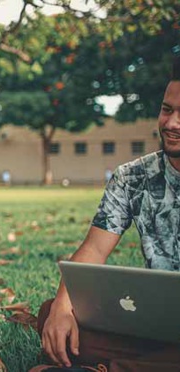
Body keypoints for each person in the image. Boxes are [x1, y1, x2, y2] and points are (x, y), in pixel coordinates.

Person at [37, 57, 180, 371]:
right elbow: (94, 249)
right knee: (53, 318)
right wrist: (63, 307)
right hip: (158, 324)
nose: (171, 124)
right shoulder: (132, 177)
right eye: (167, 109)